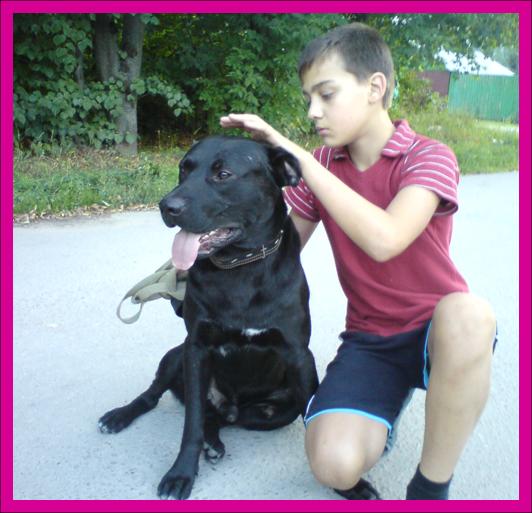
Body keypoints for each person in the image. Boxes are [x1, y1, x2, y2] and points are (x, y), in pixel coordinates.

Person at [220, 22, 497, 500]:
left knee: (471, 314)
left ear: (375, 87)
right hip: (370, 341)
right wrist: (207, 251)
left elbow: (386, 238)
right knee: (333, 465)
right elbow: (278, 249)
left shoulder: (428, 156)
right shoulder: (324, 166)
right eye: (309, 98)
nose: (313, 111)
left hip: (439, 332)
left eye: (326, 95)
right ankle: (382, 407)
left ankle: (430, 487)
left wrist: (299, 158)